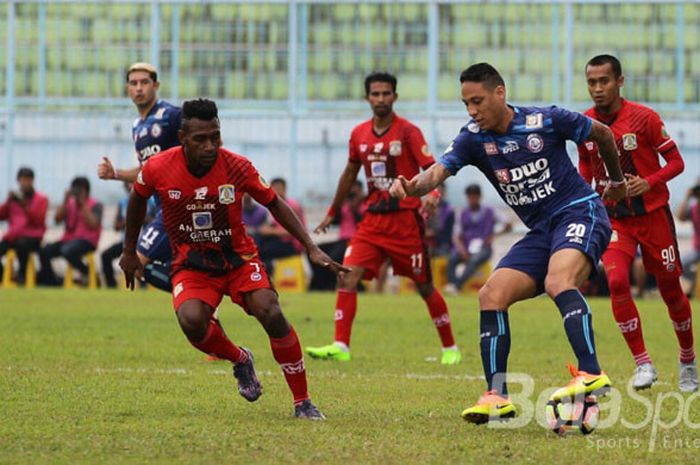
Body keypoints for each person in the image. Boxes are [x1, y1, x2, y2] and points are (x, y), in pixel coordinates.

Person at [390, 63, 627, 424]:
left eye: (478, 101)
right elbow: (437, 171)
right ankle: (496, 395)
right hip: (542, 231)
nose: (472, 110)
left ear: (500, 93)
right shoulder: (473, 138)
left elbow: (603, 134)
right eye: (466, 103)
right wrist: (412, 186)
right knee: (491, 295)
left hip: (580, 211)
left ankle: (590, 372)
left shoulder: (545, 120)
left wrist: (616, 181)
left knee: (557, 281)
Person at [119, 98, 347, 419]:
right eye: (201, 139)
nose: (210, 145)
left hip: (238, 260)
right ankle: (240, 358)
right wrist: (130, 251)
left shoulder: (237, 166)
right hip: (192, 265)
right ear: (182, 138)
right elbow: (137, 200)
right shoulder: (158, 168)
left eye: (216, 136)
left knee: (270, 311)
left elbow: (274, 202)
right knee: (192, 322)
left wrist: (309, 244)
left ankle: (303, 402)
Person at [305, 72, 461, 365]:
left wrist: (433, 196)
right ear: (367, 98)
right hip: (372, 221)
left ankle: (450, 347)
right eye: (375, 94)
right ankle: (341, 345)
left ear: (395, 97)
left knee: (424, 285)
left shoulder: (408, 132)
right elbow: (349, 174)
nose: (380, 99)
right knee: (347, 273)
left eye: (386, 94)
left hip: (404, 220)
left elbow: (432, 168)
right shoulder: (359, 134)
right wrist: (331, 211)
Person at [578, 54, 697, 393]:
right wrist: (584, 195)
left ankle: (687, 360)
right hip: (615, 220)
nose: (598, 89)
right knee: (616, 281)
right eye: (592, 82)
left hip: (654, 217)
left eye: (604, 81)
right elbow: (586, 166)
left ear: (619, 81)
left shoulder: (644, 118)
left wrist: (649, 181)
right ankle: (643, 364)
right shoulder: (585, 124)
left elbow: (676, 162)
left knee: (671, 290)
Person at [97, 62, 180, 292]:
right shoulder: (137, 126)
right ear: (127, 89)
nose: (139, 88)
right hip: (163, 208)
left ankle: (200, 291)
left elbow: (208, 142)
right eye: (133, 83)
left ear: (156, 85)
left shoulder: (171, 116)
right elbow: (147, 170)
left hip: (177, 208)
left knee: (135, 262)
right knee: (142, 266)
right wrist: (116, 174)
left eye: (144, 82)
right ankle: (200, 294)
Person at [444, 184, 512, 294]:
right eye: (470, 197)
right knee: (452, 258)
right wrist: (462, 250)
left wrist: (493, 235)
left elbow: (508, 224)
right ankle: (453, 284)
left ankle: (457, 286)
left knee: (474, 260)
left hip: (484, 247)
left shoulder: (490, 211)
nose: (472, 200)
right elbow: (456, 235)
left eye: (474, 196)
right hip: (466, 246)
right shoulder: (463, 213)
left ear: (479, 196)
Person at [38, 177, 103, 286]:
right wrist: (65, 201)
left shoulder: (96, 204)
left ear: (86, 191)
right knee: (44, 251)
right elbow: (57, 219)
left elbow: (94, 224)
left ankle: (88, 272)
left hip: (87, 241)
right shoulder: (69, 203)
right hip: (68, 239)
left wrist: (83, 205)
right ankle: (51, 281)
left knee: (67, 251)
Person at [0, 167, 48, 283]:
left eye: (28, 180)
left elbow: (39, 221)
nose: (25, 183)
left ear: (32, 181)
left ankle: (23, 275)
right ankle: (3, 275)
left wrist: (24, 205)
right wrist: (8, 201)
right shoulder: (13, 200)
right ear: (18, 181)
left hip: (32, 237)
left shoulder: (41, 199)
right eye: (23, 180)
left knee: (22, 244)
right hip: (13, 236)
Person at [257, 178, 306, 276]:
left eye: (279, 188)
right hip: (280, 240)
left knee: (261, 251)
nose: (277, 191)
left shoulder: (292, 205)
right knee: (256, 243)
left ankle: (264, 278)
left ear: (285, 189)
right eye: (274, 189)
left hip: (293, 244)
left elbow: (295, 231)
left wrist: (271, 231)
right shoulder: (273, 205)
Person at [100, 181, 133, 288]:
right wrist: (129, 221)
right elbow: (116, 226)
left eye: (132, 183)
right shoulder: (123, 203)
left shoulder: (150, 201)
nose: (129, 186)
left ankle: (143, 286)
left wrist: (141, 218)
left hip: (143, 241)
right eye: (128, 184)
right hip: (126, 243)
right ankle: (111, 286)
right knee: (105, 255)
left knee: (142, 261)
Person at [677, 181, 700, 296]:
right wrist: (687, 197)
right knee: (678, 264)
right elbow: (680, 217)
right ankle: (692, 284)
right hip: (697, 250)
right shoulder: (694, 208)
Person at [424, 184, 455, 257]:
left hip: (442, 243)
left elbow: (440, 230)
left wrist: (428, 232)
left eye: (440, 192)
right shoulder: (425, 207)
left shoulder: (448, 210)